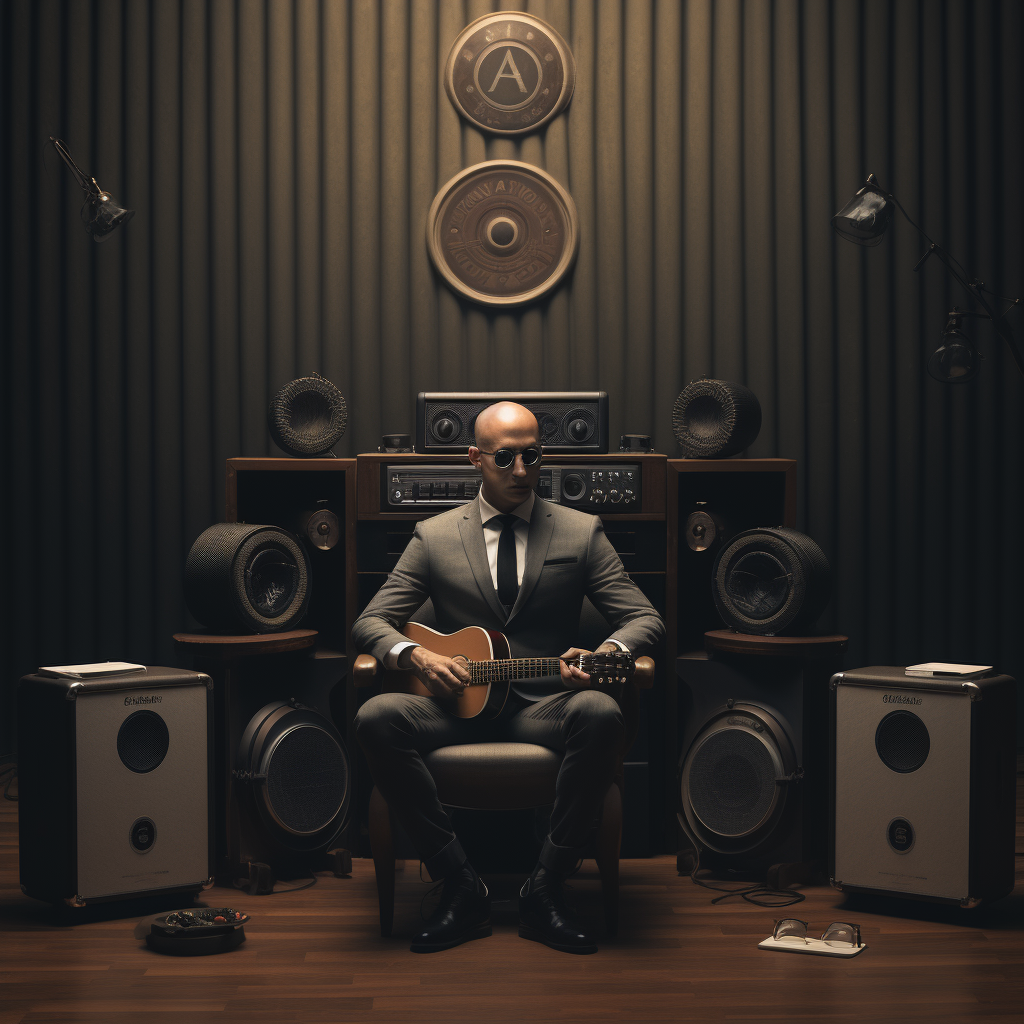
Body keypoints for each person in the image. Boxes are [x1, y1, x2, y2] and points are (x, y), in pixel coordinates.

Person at [352, 402, 664, 954]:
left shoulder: (581, 532)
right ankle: (458, 883)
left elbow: (645, 618)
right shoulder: (434, 536)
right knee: (375, 716)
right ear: (475, 458)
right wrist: (414, 657)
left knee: (601, 713)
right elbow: (370, 621)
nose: (521, 471)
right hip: (458, 708)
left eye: (532, 456)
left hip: (546, 706)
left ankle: (544, 886)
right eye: (505, 458)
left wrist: (603, 654)